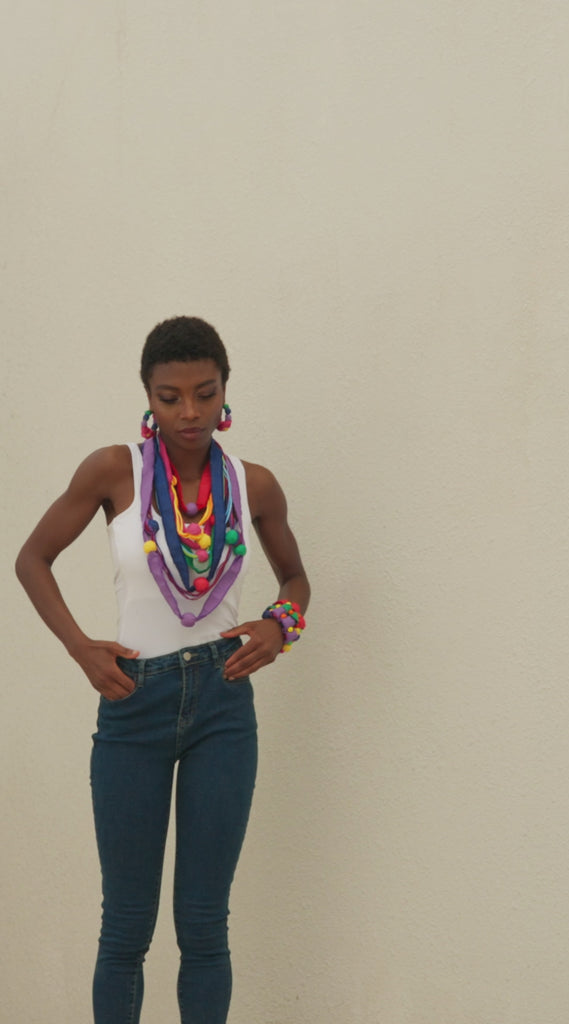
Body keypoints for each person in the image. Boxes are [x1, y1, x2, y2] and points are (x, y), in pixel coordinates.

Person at [15, 315, 310, 1024]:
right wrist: (80, 647)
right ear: (147, 396)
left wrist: (279, 626)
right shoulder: (113, 470)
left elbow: (296, 579)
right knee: (126, 926)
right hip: (133, 700)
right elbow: (32, 559)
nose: (189, 412)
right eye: (169, 396)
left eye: (205, 393)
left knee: (204, 925)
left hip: (223, 701)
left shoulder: (254, 484)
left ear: (225, 390)